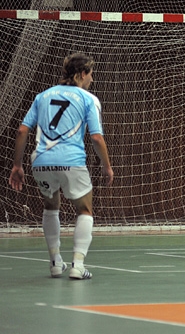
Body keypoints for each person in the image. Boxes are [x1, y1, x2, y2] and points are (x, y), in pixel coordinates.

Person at [9, 53, 114, 279]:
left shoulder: (42, 96)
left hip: (41, 162)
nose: (92, 79)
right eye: (91, 74)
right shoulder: (89, 99)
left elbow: (22, 130)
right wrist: (107, 166)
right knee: (84, 210)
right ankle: (78, 265)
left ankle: (56, 263)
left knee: (50, 207)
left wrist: (17, 165)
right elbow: (96, 138)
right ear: (83, 73)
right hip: (71, 161)